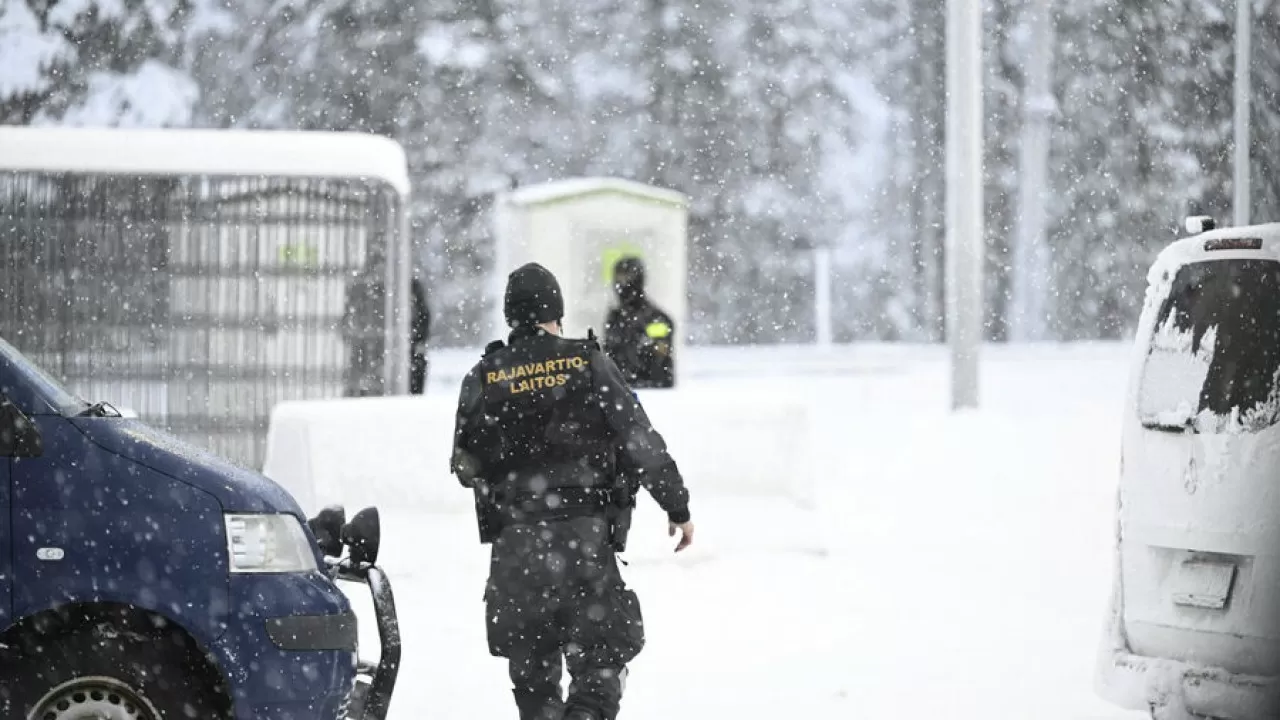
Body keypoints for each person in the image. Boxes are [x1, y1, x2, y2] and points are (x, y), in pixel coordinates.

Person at [450, 262, 695, 720]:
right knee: (600, 664)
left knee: (534, 685)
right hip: (584, 544)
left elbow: (466, 466)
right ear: (554, 314)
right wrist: (677, 506)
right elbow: (640, 441)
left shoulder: (484, 376)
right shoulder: (587, 362)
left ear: (511, 316)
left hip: (516, 552)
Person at [603, 256, 675, 388]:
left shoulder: (656, 319)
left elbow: (658, 363)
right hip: (621, 393)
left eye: (626, 278)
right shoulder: (614, 317)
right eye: (618, 278)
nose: (621, 283)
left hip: (652, 394)